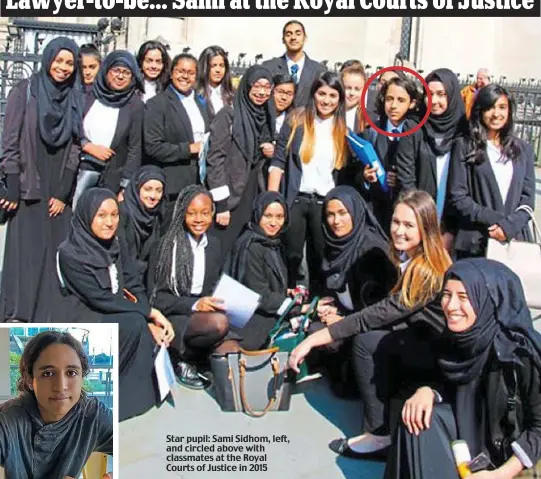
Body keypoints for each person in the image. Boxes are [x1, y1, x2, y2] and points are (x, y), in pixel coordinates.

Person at [289, 190, 451, 458]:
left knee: (366, 341)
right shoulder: (407, 257)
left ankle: (379, 435)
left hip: (437, 354)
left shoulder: (426, 269)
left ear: (427, 228)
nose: (398, 231)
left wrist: (314, 339)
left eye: (409, 225)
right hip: (419, 337)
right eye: (396, 222)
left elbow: (377, 314)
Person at [386, 258, 541, 479]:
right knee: (416, 419)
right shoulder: (456, 340)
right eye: (447, 295)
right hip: (473, 447)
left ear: (488, 300)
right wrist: (427, 391)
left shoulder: (521, 355)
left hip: (517, 461)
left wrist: (502, 474)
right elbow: (449, 384)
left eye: (464, 297)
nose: (450, 306)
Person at [56, 188, 172, 421]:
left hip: (117, 311)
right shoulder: (70, 254)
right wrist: (150, 313)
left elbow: (133, 282)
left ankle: (135, 397)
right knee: (134, 323)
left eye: (114, 215)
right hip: (86, 320)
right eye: (101, 215)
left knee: (137, 323)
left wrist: (147, 314)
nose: (110, 222)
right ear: (87, 217)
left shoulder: (117, 244)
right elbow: (99, 299)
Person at [0, 37, 83, 323]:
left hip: (57, 189)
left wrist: (63, 192)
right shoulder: (25, 91)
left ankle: (48, 318)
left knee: (54, 258)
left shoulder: (75, 95)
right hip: (28, 186)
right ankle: (18, 317)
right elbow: (9, 140)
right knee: (26, 256)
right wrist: (13, 185)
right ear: (48, 60)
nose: (63, 68)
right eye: (58, 61)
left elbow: (76, 145)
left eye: (69, 63)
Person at [268, 71, 354, 295]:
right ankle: (288, 300)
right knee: (292, 255)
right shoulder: (296, 120)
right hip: (296, 198)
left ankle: (318, 301)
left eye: (333, 95)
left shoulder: (344, 130)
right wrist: (272, 199)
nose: (326, 100)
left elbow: (349, 172)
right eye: (322, 93)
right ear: (313, 94)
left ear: (339, 99)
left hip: (324, 202)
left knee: (321, 257)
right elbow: (278, 161)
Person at [308, 185, 397, 396]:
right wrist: (330, 309)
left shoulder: (372, 250)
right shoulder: (333, 245)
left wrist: (342, 320)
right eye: (330, 214)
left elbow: (379, 312)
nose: (336, 221)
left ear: (356, 212)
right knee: (314, 328)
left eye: (342, 213)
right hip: (349, 318)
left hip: (373, 328)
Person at [150, 185, 239, 389]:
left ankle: (200, 357)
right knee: (218, 324)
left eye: (205, 213)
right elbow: (158, 298)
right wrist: (196, 304)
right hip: (175, 313)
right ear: (182, 214)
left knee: (231, 349)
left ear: (213, 214)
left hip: (203, 313)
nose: (199, 219)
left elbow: (214, 285)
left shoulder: (214, 245)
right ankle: (182, 358)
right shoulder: (167, 246)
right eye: (192, 213)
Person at [0, 331, 113, 479]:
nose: (61, 386)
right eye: (48, 373)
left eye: (71, 373)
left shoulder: (93, 415)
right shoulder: (7, 420)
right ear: (29, 380)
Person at [448, 84, 535, 259]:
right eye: (490, 107)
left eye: (502, 107)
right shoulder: (464, 146)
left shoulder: (523, 149)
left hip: (515, 242)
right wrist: (498, 221)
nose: (496, 114)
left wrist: (509, 226)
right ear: (480, 111)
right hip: (476, 241)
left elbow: (528, 198)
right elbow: (459, 197)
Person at [206, 65, 275, 256]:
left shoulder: (267, 116)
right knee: (222, 250)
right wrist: (222, 204)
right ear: (247, 87)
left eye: (267, 87)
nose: (262, 92)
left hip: (253, 192)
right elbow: (215, 159)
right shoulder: (229, 115)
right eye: (257, 86)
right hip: (231, 196)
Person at [395, 68, 467, 243]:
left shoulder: (464, 131)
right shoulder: (413, 127)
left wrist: (451, 230)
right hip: (418, 223)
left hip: (452, 227)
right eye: (429, 94)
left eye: (441, 94)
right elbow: (406, 179)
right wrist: (420, 223)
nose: (434, 101)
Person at [144, 53, 210, 233]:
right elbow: (152, 146)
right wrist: (188, 149)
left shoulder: (200, 102)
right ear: (172, 73)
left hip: (197, 182)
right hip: (173, 186)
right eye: (181, 71)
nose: (185, 76)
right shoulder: (157, 104)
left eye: (190, 72)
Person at [226, 191, 299, 350]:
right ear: (258, 214)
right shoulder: (252, 246)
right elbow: (258, 294)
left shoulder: (273, 243)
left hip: (267, 309)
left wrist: (287, 293)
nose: (274, 223)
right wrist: (294, 306)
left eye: (279, 217)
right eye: (268, 216)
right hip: (251, 317)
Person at [73, 50, 145, 207]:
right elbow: (73, 128)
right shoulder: (87, 95)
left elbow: (135, 148)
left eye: (126, 72)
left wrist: (125, 187)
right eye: (116, 70)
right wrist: (87, 145)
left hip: (112, 178)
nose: (120, 76)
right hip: (80, 172)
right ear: (106, 71)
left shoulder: (135, 105)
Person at [362, 75, 420, 232]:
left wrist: (400, 180)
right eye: (389, 99)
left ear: (412, 103)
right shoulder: (371, 132)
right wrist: (366, 177)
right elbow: (354, 173)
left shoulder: (418, 134)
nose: (393, 106)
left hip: (405, 216)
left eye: (401, 100)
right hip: (376, 214)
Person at [117, 165, 165, 288]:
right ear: (137, 188)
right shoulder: (122, 213)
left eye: (159, 190)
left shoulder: (157, 216)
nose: (153, 196)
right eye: (148, 189)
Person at [262, 20, 326, 107]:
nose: (293, 37)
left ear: (305, 38)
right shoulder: (269, 67)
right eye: (288, 34)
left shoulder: (319, 70)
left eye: (298, 34)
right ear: (283, 39)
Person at [197, 45, 234, 119]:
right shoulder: (195, 95)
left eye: (221, 65)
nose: (218, 70)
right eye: (213, 66)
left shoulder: (233, 95)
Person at [341, 63, 366, 133]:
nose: (352, 93)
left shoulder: (368, 119)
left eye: (357, 89)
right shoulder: (329, 113)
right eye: (347, 88)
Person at [272, 73, 296, 140]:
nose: (284, 97)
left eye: (289, 94)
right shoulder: (259, 117)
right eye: (280, 92)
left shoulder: (294, 122)